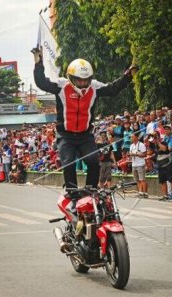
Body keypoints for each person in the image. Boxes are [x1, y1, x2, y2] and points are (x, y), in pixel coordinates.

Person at [32, 47, 137, 190]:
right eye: (79, 80)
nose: (83, 84)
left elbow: (113, 89)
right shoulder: (61, 85)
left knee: (93, 162)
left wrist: (128, 76)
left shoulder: (94, 87)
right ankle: (72, 192)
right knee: (68, 163)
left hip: (85, 135)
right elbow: (41, 83)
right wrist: (39, 65)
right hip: (66, 135)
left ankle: (91, 190)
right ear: (71, 78)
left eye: (86, 80)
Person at [129, 132, 148, 198]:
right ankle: (140, 192)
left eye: (132, 137)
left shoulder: (141, 145)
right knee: (137, 180)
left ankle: (145, 193)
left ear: (137, 137)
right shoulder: (131, 146)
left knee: (142, 179)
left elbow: (145, 154)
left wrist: (136, 154)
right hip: (134, 164)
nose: (131, 138)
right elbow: (130, 154)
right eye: (131, 137)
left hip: (140, 164)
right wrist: (130, 155)